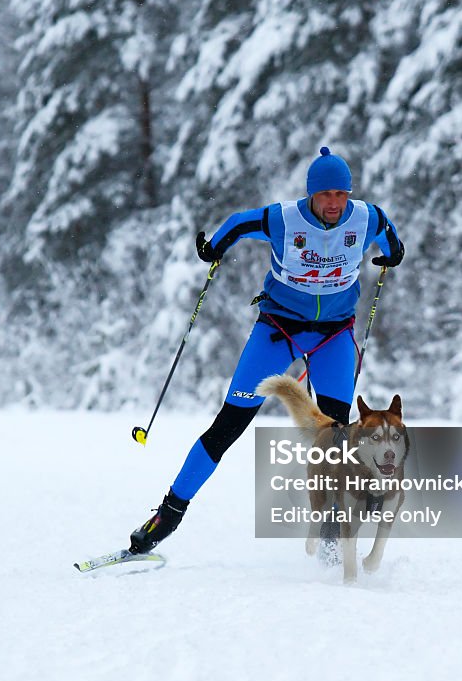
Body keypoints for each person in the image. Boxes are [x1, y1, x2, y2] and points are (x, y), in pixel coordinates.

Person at [128, 146, 404, 553]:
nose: (334, 203)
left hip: (333, 339)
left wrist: (393, 254)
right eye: (326, 194)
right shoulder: (283, 219)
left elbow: (390, 236)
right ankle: (166, 516)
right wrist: (215, 247)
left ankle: (331, 538)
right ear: (312, 194)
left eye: (341, 194)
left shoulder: (366, 218)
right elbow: (239, 224)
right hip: (278, 331)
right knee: (228, 427)